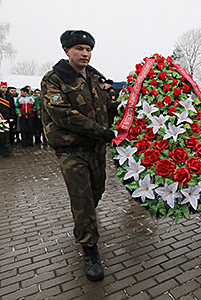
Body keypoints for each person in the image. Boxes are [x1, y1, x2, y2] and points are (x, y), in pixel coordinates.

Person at [41, 30, 117, 281]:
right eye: (79, 49)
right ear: (67, 51)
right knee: (82, 198)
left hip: (96, 147)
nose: (85, 54)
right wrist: (100, 131)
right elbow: (62, 113)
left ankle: (83, 224)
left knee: (98, 190)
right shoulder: (54, 79)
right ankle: (89, 249)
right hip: (71, 149)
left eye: (88, 49)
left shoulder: (95, 77)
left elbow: (105, 106)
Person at [0, 81, 15, 156]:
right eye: (3, 87)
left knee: (6, 135)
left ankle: (6, 150)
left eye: (5, 87)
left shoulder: (10, 96)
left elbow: (12, 108)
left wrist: (12, 117)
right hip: (0, 118)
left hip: (7, 118)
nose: (4, 89)